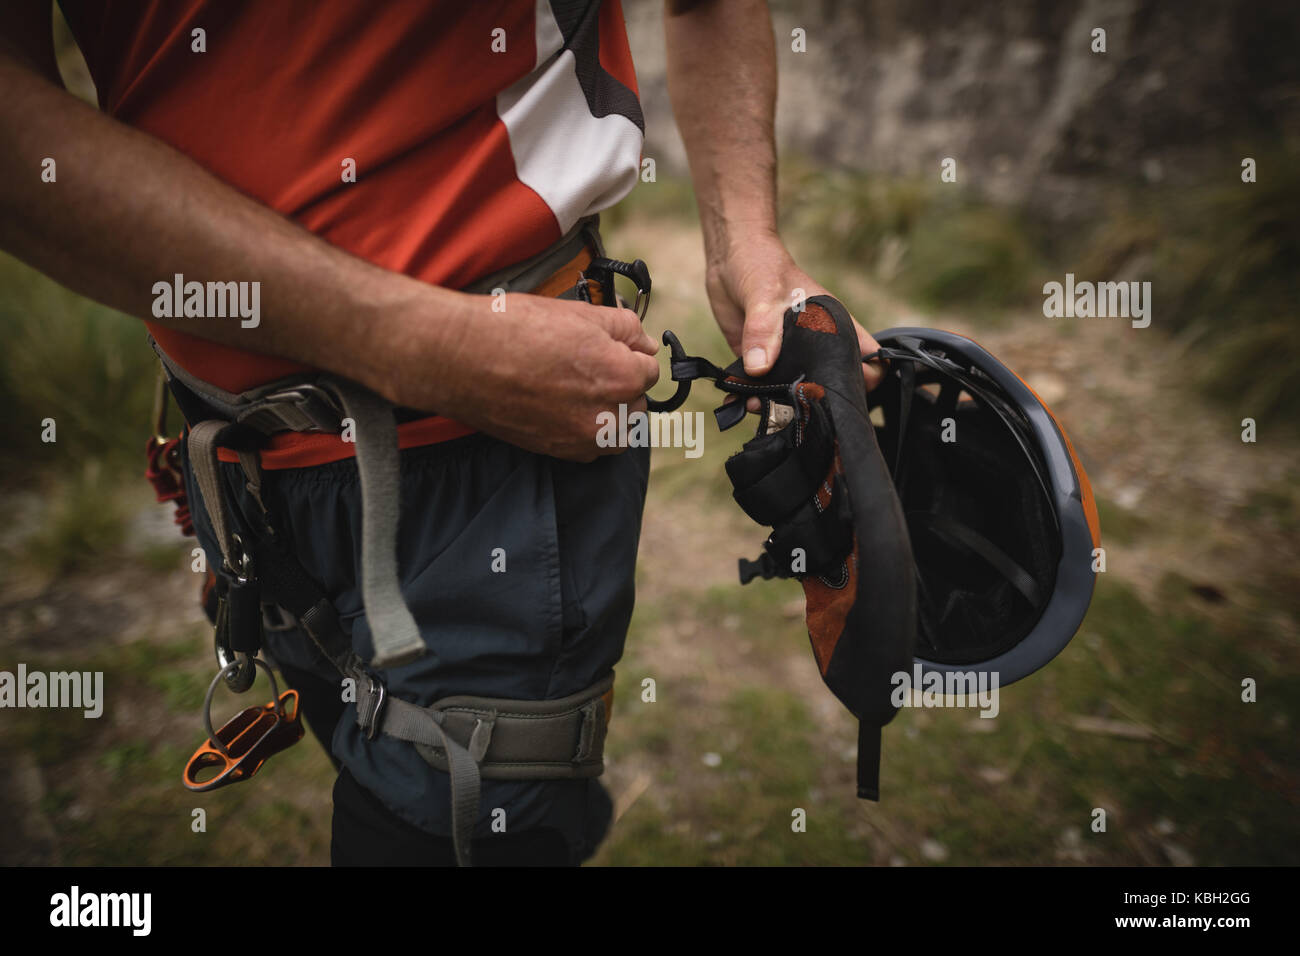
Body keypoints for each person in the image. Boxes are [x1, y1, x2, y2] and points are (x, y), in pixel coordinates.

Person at [0, 0, 881, 865]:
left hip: (500, 454)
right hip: (242, 469)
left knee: (451, 822)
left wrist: (745, 244)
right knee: (381, 765)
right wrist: (415, 347)